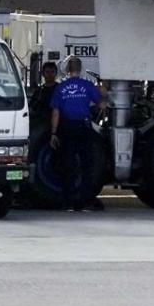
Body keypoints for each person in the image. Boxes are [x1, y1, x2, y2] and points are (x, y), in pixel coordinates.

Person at [49, 57, 105, 212]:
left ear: (67, 69)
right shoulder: (87, 86)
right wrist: (103, 95)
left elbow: (55, 113)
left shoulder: (61, 88)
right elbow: (101, 104)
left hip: (66, 127)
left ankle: (68, 202)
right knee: (87, 164)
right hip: (84, 126)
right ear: (80, 69)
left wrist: (53, 133)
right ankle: (84, 201)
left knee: (68, 164)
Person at [30, 61, 59, 134]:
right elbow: (32, 107)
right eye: (47, 72)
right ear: (43, 74)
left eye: (52, 72)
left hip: (59, 125)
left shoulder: (60, 89)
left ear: (56, 73)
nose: (50, 75)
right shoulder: (39, 91)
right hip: (42, 126)